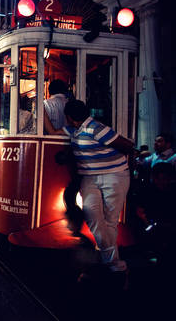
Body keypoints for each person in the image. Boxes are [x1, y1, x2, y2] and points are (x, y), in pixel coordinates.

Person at [46, 100, 134, 284]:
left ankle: (113, 265)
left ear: (69, 116)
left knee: (110, 221)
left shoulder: (97, 128)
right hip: (90, 178)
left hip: (115, 176)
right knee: (92, 215)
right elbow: (53, 132)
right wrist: (41, 110)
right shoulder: (73, 130)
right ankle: (115, 264)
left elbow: (126, 145)